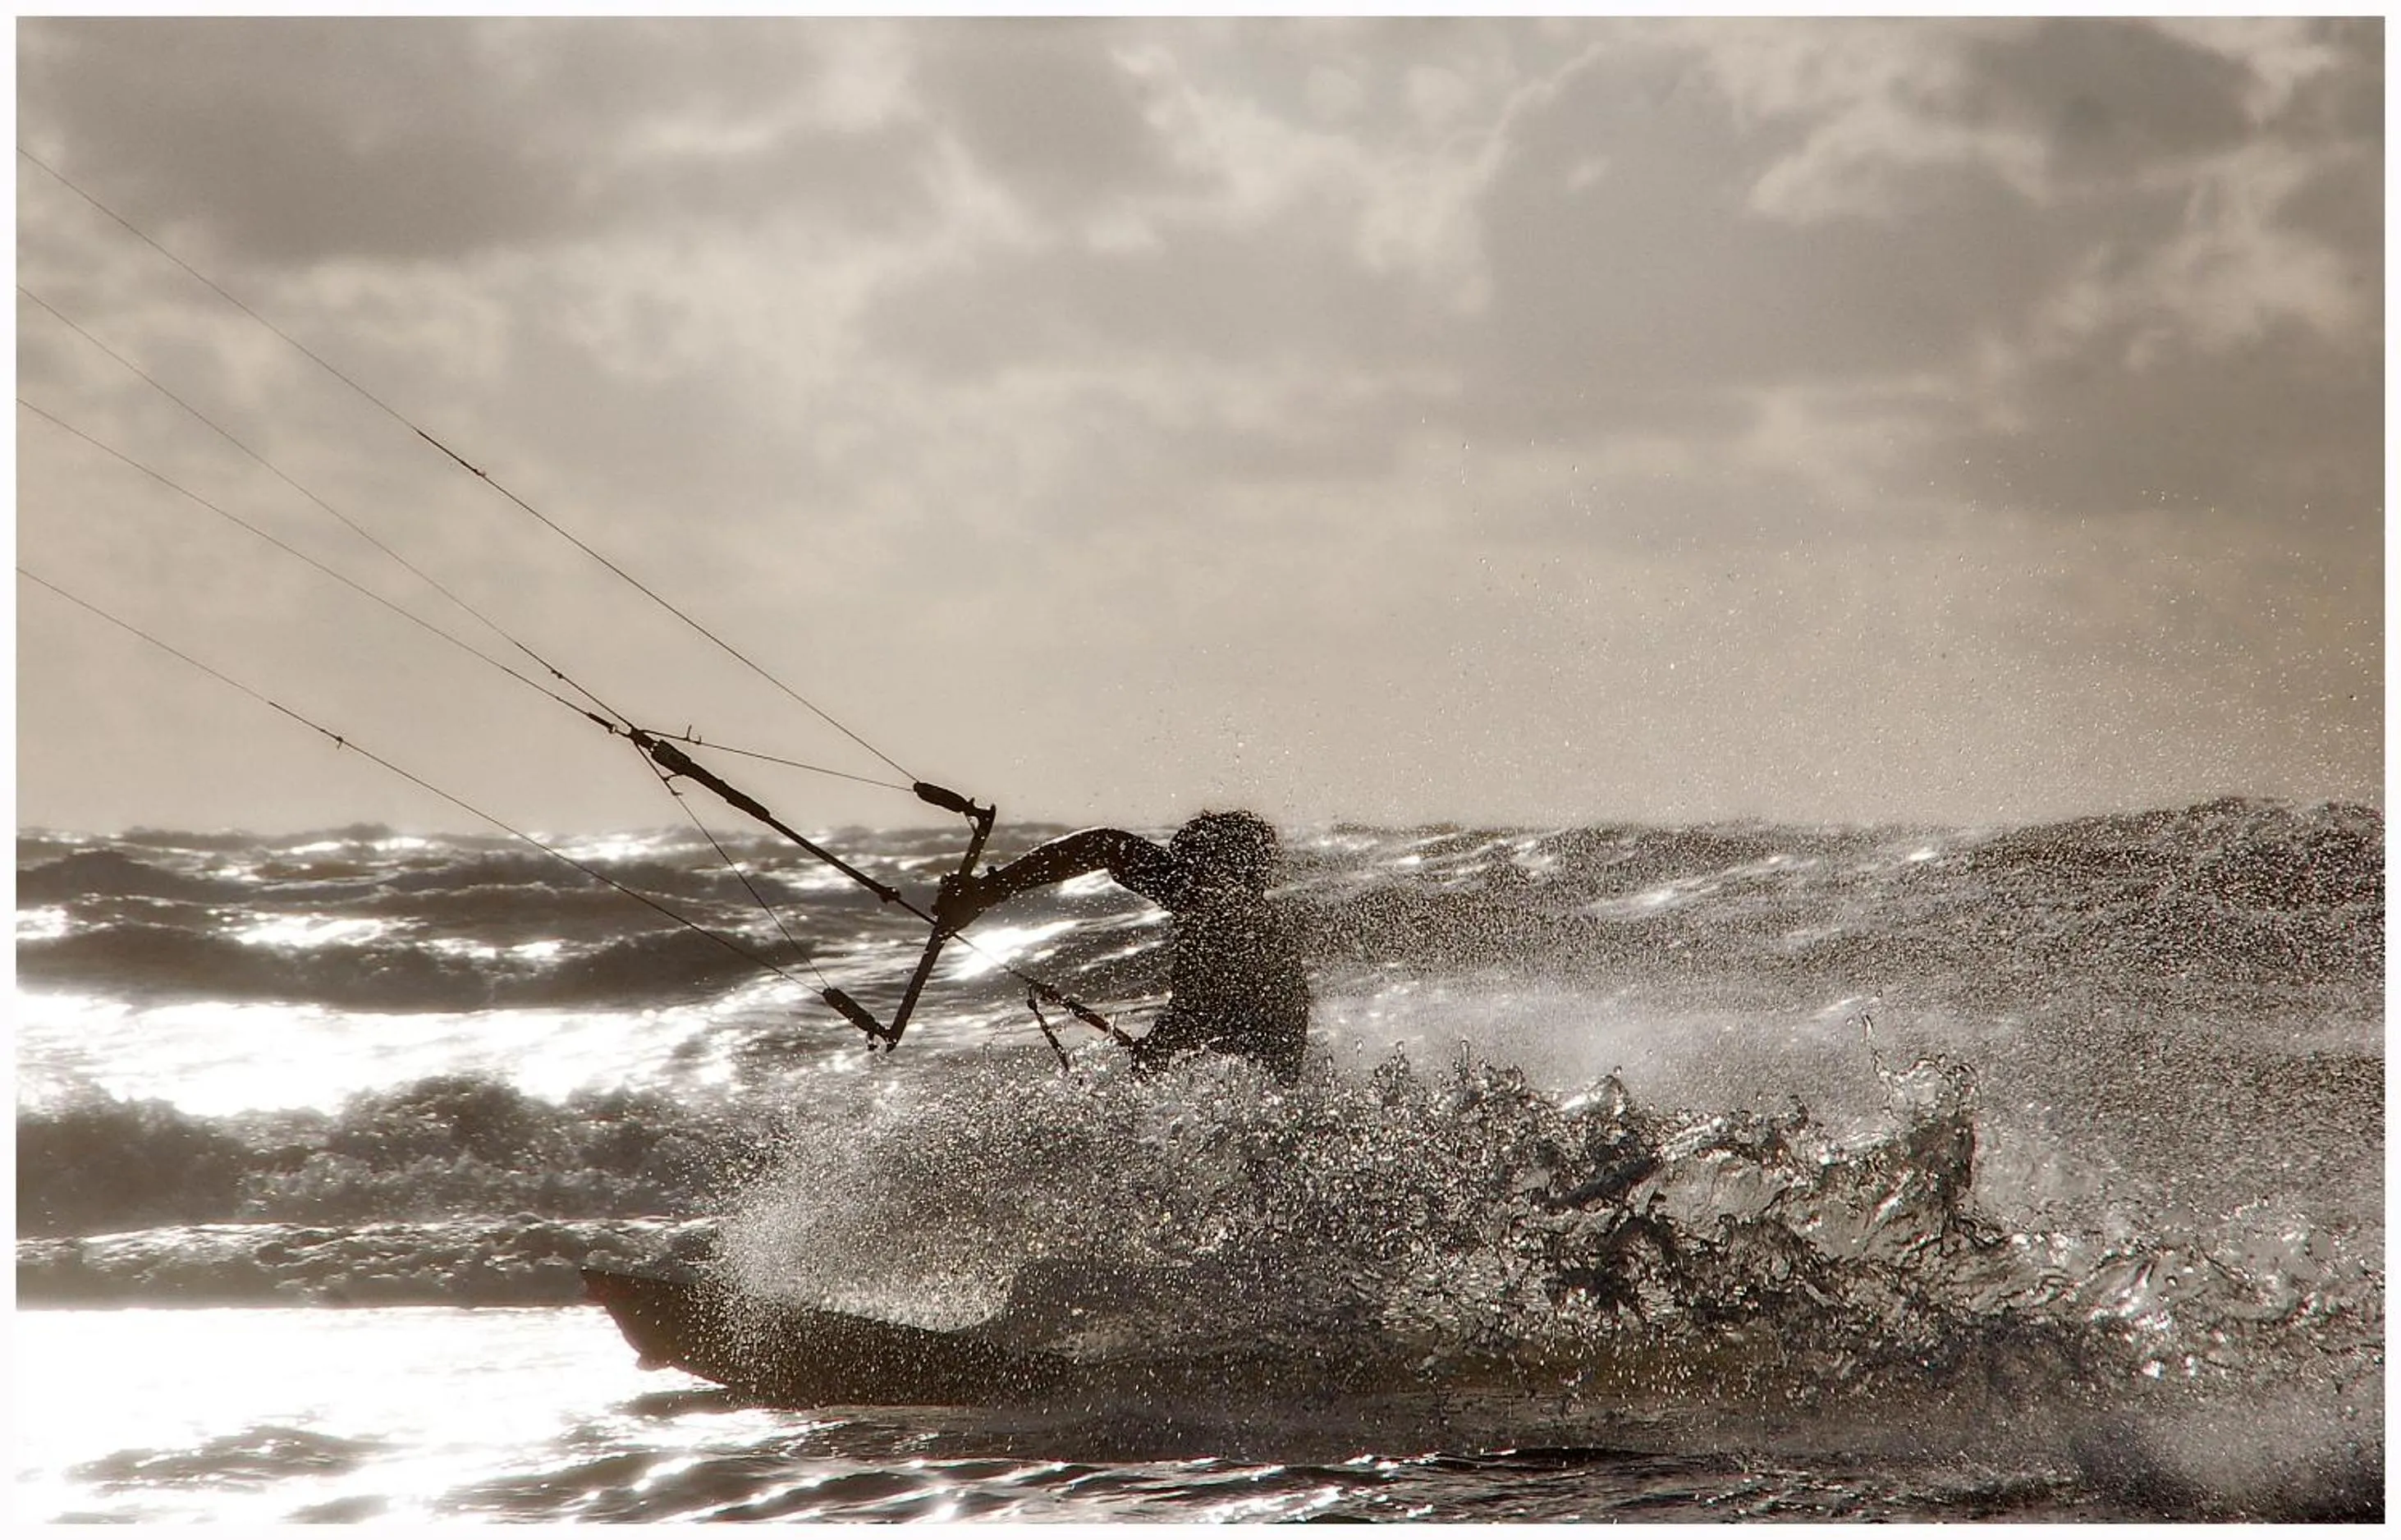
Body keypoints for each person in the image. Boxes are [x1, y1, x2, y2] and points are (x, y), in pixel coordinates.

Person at [935, 810, 1310, 1080]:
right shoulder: (1259, 930)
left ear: (1211, 863)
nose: (1170, 880)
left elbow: (1104, 845)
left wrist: (987, 893)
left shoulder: (1215, 906)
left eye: (1182, 865)